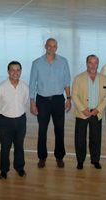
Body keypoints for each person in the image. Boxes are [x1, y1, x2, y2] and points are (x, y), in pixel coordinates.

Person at [29, 38, 71, 168]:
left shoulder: (63, 62)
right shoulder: (36, 63)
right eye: (49, 46)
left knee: (60, 130)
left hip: (58, 100)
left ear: (56, 48)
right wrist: (32, 102)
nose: (51, 48)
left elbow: (67, 82)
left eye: (54, 46)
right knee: (42, 131)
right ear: (45, 46)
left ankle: (59, 157)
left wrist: (69, 98)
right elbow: (32, 84)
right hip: (42, 101)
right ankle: (42, 157)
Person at [72, 55, 106, 170]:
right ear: (86, 63)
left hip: (96, 113)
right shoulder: (78, 78)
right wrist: (83, 109)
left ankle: (95, 160)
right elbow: (74, 95)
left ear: (98, 64)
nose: (93, 65)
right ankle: (80, 161)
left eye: (95, 63)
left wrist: (98, 109)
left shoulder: (104, 79)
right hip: (82, 113)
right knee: (80, 139)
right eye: (90, 63)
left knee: (96, 138)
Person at [0, 61, 29, 179]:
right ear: (8, 72)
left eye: (18, 70)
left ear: (21, 71)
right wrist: (7, 114)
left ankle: (20, 167)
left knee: (19, 145)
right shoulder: (1, 87)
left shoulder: (25, 86)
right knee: (5, 147)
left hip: (21, 120)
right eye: (12, 70)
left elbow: (24, 101)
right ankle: (4, 170)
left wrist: (16, 113)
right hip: (5, 122)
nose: (15, 72)